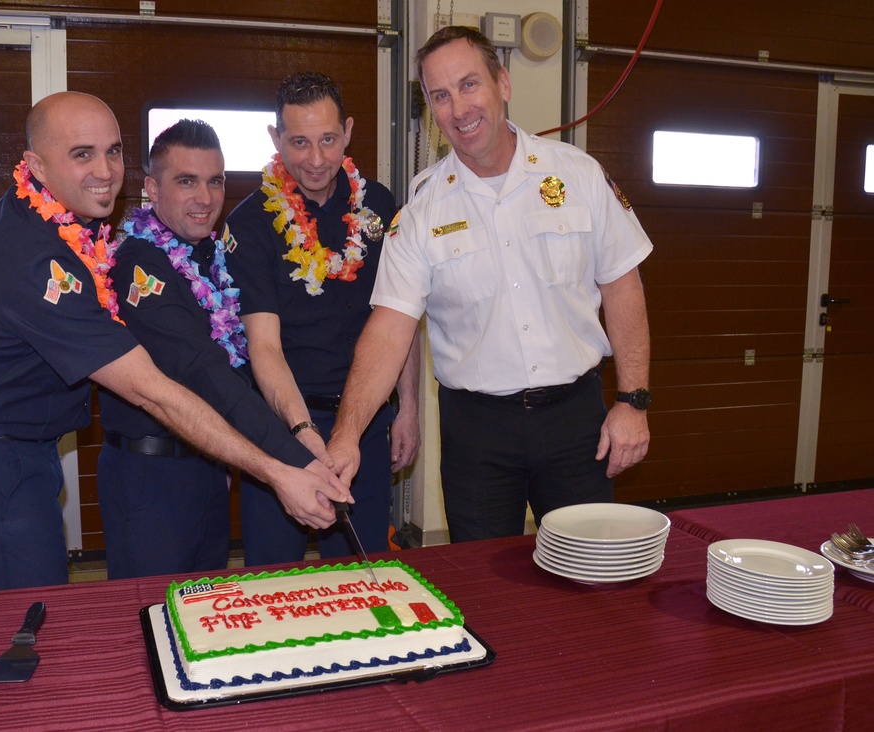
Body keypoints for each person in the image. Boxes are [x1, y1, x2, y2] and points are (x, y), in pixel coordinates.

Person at [0, 92, 349, 594]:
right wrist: (282, 468)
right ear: (35, 165)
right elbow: (156, 389)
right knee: (18, 622)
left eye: (113, 151)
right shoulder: (41, 259)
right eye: (82, 154)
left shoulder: (68, 225)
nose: (104, 170)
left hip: (26, 449)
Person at [327, 26, 653, 542]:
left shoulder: (578, 176)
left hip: (575, 423)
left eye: (469, 85)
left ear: (503, 84)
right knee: (484, 586)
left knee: (589, 573)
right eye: (440, 95)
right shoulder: (421, 210)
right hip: (476, 433)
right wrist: (346, 437)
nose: (458, 108)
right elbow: (389, 330)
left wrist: (633, 401)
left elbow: (622, 286)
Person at [98, 119, 333, 579]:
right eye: (186, 182)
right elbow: (206, 373)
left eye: (215, 181)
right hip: (151, 479)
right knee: (151, 618)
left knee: (203, 617)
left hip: (209, 467)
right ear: (152, 189)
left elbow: (241, 364)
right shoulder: (137, 265)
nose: (205, 198)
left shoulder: (210, 255)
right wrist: (297, 462)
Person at [224, 72, 421, 565]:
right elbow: (263, 347)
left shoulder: (379, 205)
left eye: (328, 140)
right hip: (283, 427)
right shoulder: (251, 224)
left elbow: (401, 319)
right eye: (299, 142)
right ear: (275, 139)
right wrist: (302, 433)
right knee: (276, 579)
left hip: (367, 420)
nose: (315, 159)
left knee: (366, 569)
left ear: (348, 131)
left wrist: (410, 406)